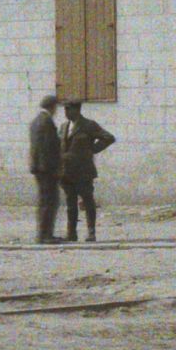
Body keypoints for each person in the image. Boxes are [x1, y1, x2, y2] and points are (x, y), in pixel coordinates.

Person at [59, 100, 117, 242]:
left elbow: (109, 138)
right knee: (70, 204)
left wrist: (92, 150)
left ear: (77, 110)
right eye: (65, 109)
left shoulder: (89, 125)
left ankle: (91, 233)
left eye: (68, 109)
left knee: (88, 202)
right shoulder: (64, 126)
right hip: (66, 172)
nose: (66, 112)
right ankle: (71, 233)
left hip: (83, 171)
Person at [28, 94, 63, 244]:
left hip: (39, 168)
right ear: (52, 107)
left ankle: (44, 234)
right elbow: (48, 148)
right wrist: (54, 168)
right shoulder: (46, 122)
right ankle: (45, 235)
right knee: (50, 201)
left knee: (44, 201)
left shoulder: (36, 121)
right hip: (47, 169)